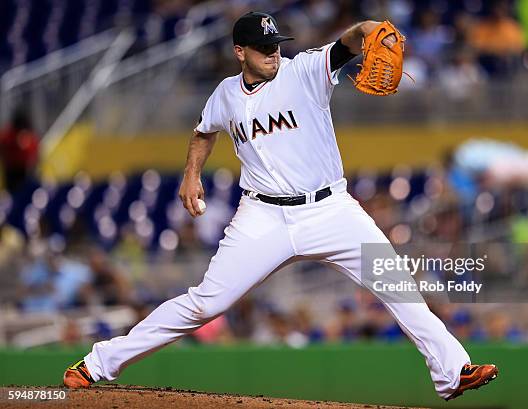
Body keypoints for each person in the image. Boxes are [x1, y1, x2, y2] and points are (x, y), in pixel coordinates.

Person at [63, 11, 497, 401]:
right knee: (204, 305)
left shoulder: (305, 70)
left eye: (276, 45)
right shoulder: (226, 94)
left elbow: (347, 43)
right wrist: (191, 174)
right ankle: (100, 363)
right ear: (240, 52)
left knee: (397, 285)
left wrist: (366, 30)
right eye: (264, 47)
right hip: (263, 216)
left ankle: (452, 372)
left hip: (331, 210)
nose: (273, 53)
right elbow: (204, 132)